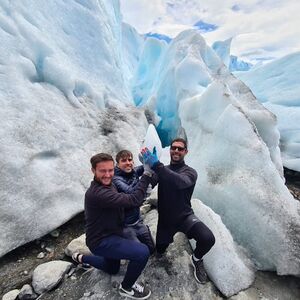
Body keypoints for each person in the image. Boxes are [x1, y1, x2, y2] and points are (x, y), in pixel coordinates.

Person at [72, 153, 152, 299]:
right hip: (101, 241)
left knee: (112, 268)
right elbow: (134, 199)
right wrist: (146, 174)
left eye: (110, 170)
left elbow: (132, 178)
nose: (108, 175)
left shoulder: (109, 183)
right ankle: (126, 288)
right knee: (142, 252)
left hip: (109, 233)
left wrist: (143, 166)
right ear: (93, 171)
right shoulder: (98, 193)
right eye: (103, 171)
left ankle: (82, 258)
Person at [141, 138, 215, 284]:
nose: (176, 151)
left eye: (180, 149)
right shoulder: (162, 170)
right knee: (160, 251)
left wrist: (157, 165)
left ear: (185, 152)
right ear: (170, 150)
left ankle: (196, 259)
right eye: (173, 148)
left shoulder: (190, 172)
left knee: (208, 239)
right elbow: (148, 186)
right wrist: (145, 169)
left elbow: (181, 182)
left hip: (185, 217)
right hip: (165, 221)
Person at [113, 150, 155, 254]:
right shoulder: (116, 179)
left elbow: (149, 167)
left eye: (130, 160)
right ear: (117, 164)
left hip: (138, 221)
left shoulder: (133, 171)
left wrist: (150, 161)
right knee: (140, 253)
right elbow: (132, 193)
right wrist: (146, 176)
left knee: (151, 249)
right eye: (124, 160)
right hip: (125, 226)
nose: (128, 162)